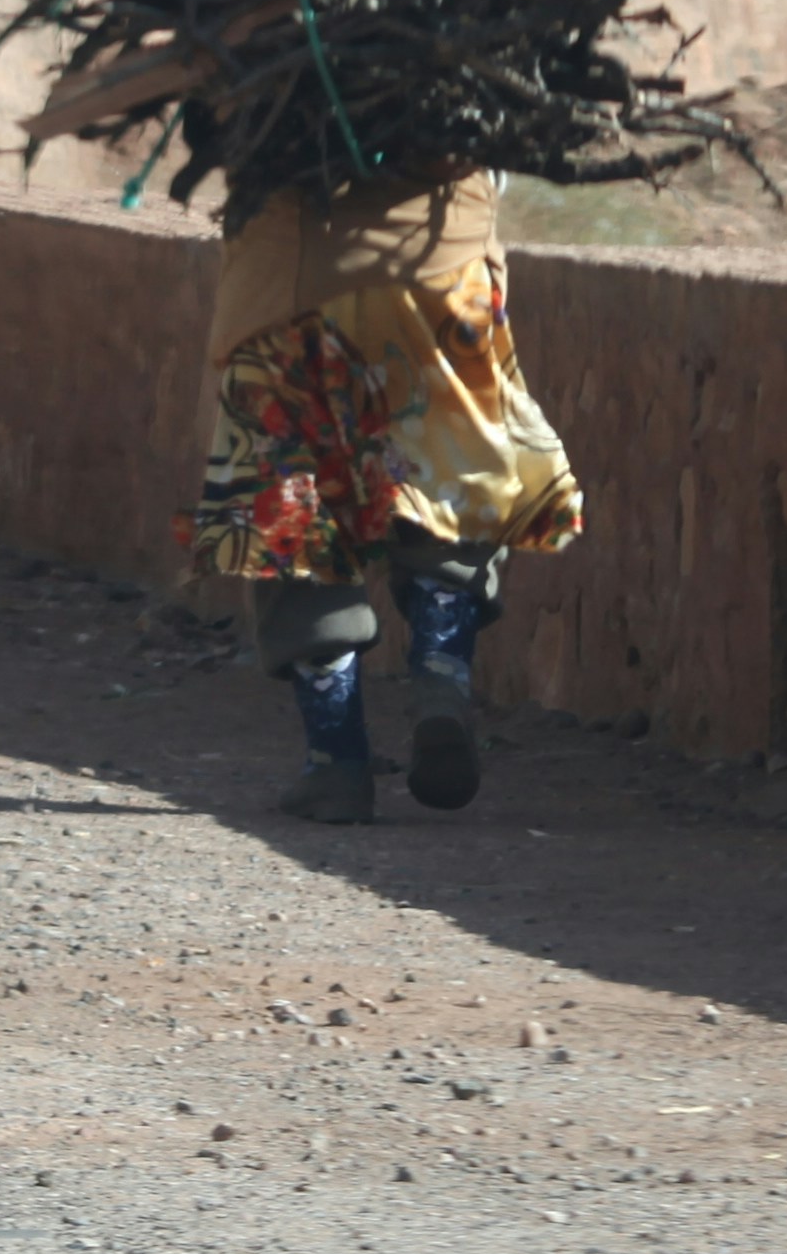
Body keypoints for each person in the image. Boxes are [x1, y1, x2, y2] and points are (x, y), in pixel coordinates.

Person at [196, 168, 579, 825]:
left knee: (296, 514)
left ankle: (336, 761)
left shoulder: (265, 79)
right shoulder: (463, 76)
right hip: (444, 270)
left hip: (292, 282)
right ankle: (440, 670)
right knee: (450, 479)